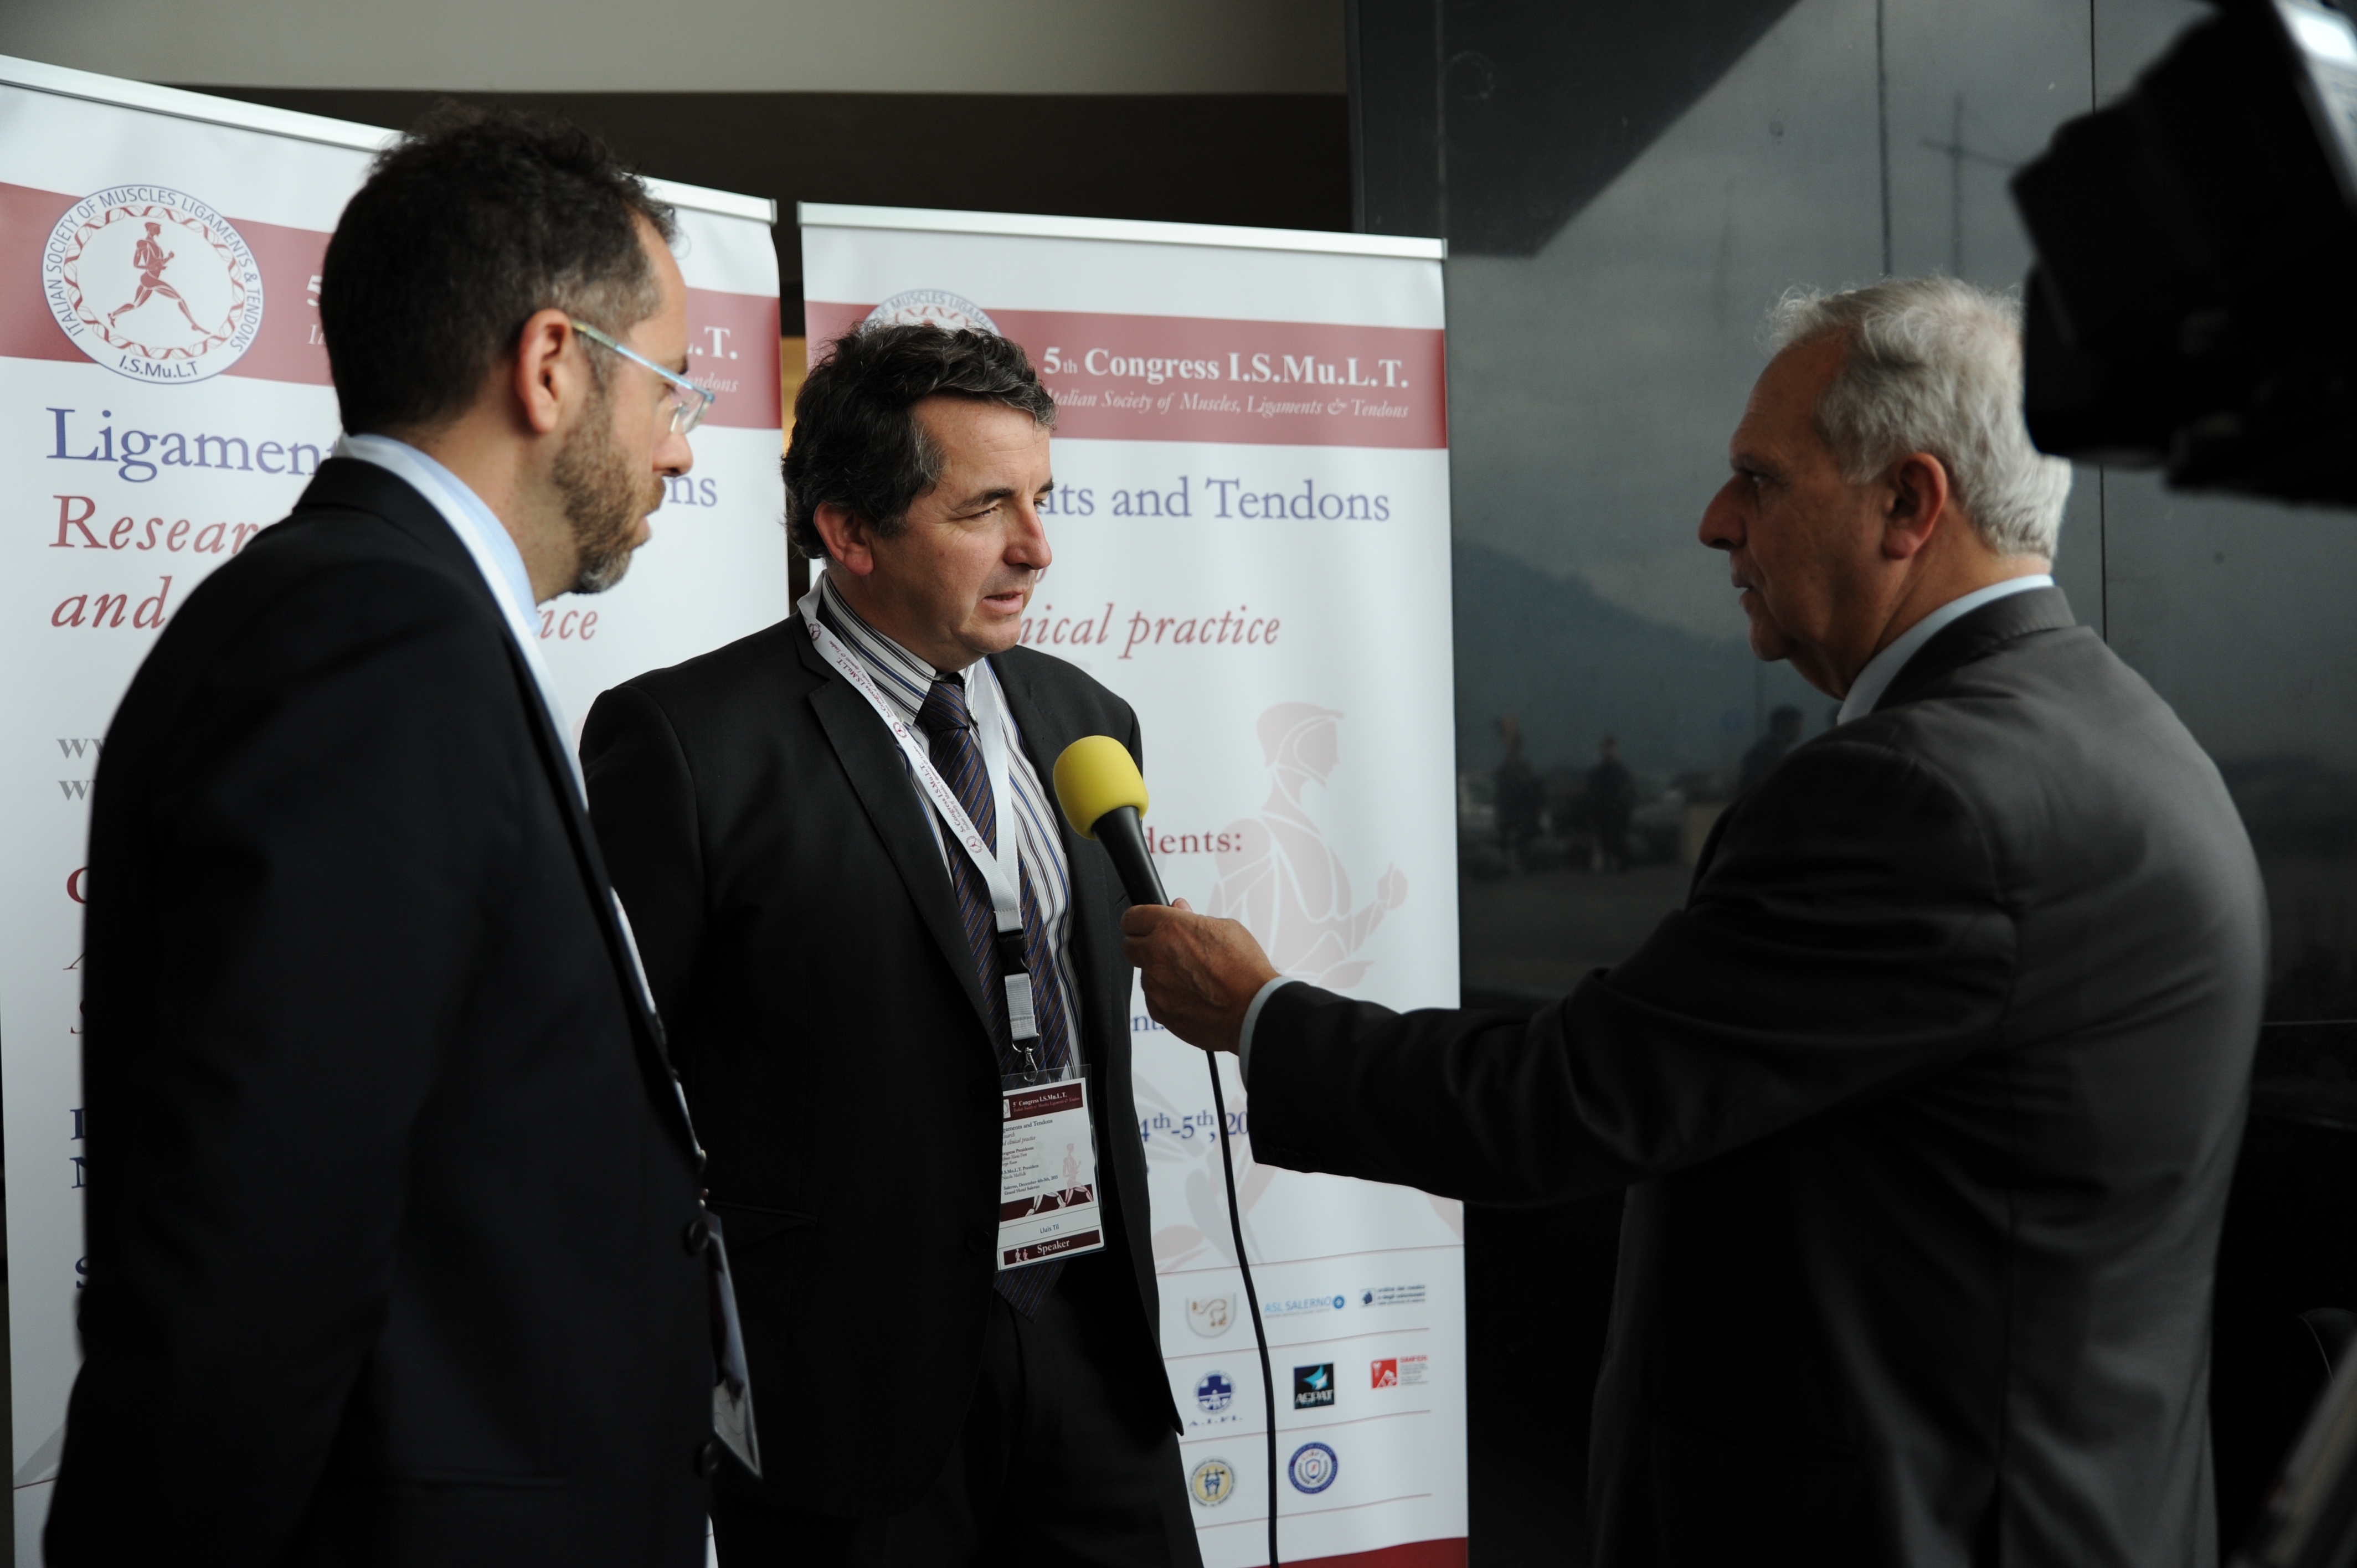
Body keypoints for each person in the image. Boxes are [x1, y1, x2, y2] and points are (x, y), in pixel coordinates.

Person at [1122, 277, 2266, 1566]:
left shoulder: (1916, 795)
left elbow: (1573, 1097)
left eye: (1759, 480)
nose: (1715, 521)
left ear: (1909, 502)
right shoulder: (2127, 736)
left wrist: (1262, 1015)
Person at [48, 109, 741, 1566]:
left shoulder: (394, 619)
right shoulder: (373, 640)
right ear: (552, 367)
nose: (681, 451)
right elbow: (260, 1244)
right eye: (671, 388)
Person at [581, 323, 1199, 1567]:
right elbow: (613, 1100)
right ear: (850, 532)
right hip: (843, 1379)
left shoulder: (1090, 719)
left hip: (1089, 1341)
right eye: (986, 509)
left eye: (1041, 498)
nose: (1037, 546)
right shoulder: (685, 743)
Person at [1584, 734, 1635, 870]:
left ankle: (1619, 865)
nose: (1609, 751)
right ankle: (1611, 864)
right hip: (1605, 814)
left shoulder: (1621, 773)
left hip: (1617, 814)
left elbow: (1629, 794)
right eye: (1607, 748)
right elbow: (1592, 795)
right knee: (1606, 842)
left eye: (1611, 748)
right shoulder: (1600, 774)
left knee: (1618, 841)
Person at [1738, 703, 1806, 792]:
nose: (1800, 730)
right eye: (1797, 726)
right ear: (1784, 726)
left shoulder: (1771, 750)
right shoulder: (1765, 755)